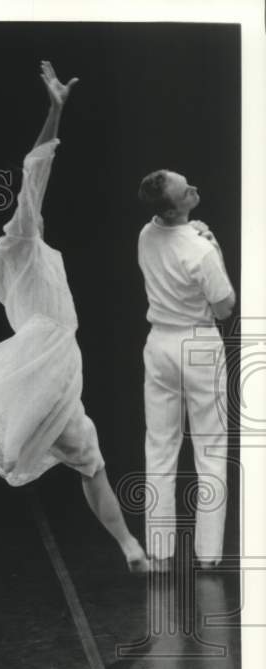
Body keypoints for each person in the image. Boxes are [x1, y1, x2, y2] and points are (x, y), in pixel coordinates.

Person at [0, 62, 148, 611]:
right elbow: (34, 172)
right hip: (43, 360)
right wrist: (56, 109)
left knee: (89, 460)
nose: (24, 215)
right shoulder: (25, 237)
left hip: (54, 370)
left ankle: (130, 545)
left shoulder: (0, 260)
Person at [136, 170, 235, 571]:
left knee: (160, 447)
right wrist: (214, 247)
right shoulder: (200, 249)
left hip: (159, 344)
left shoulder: (146, 234)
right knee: (209, 449)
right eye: (185, 190)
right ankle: (208, 555)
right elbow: (226, 306)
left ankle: (159, 551)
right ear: (176, 207)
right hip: (198, 344)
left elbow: (168, 236)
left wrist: (195, 235)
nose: (193, 187)